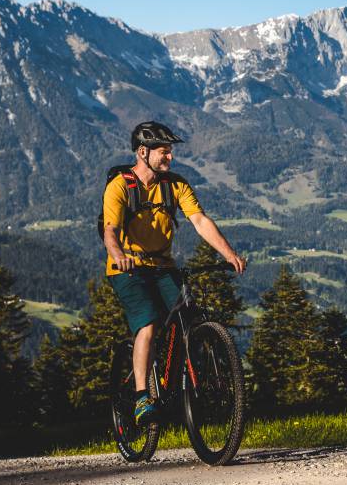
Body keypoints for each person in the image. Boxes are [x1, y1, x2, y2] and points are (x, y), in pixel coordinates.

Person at [102, 121, 246, 425]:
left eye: (170, 152)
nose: (169, 157)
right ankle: (142, 397)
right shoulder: (120, 186)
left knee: (190, 317)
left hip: (162, 266)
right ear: (143, 152)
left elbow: (200, 220)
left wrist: (229, 253)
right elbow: (110, 230)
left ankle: (178, 382)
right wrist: (119, 255)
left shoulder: (175, 185)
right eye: (163, 152)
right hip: (127, 269)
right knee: (149, 324)